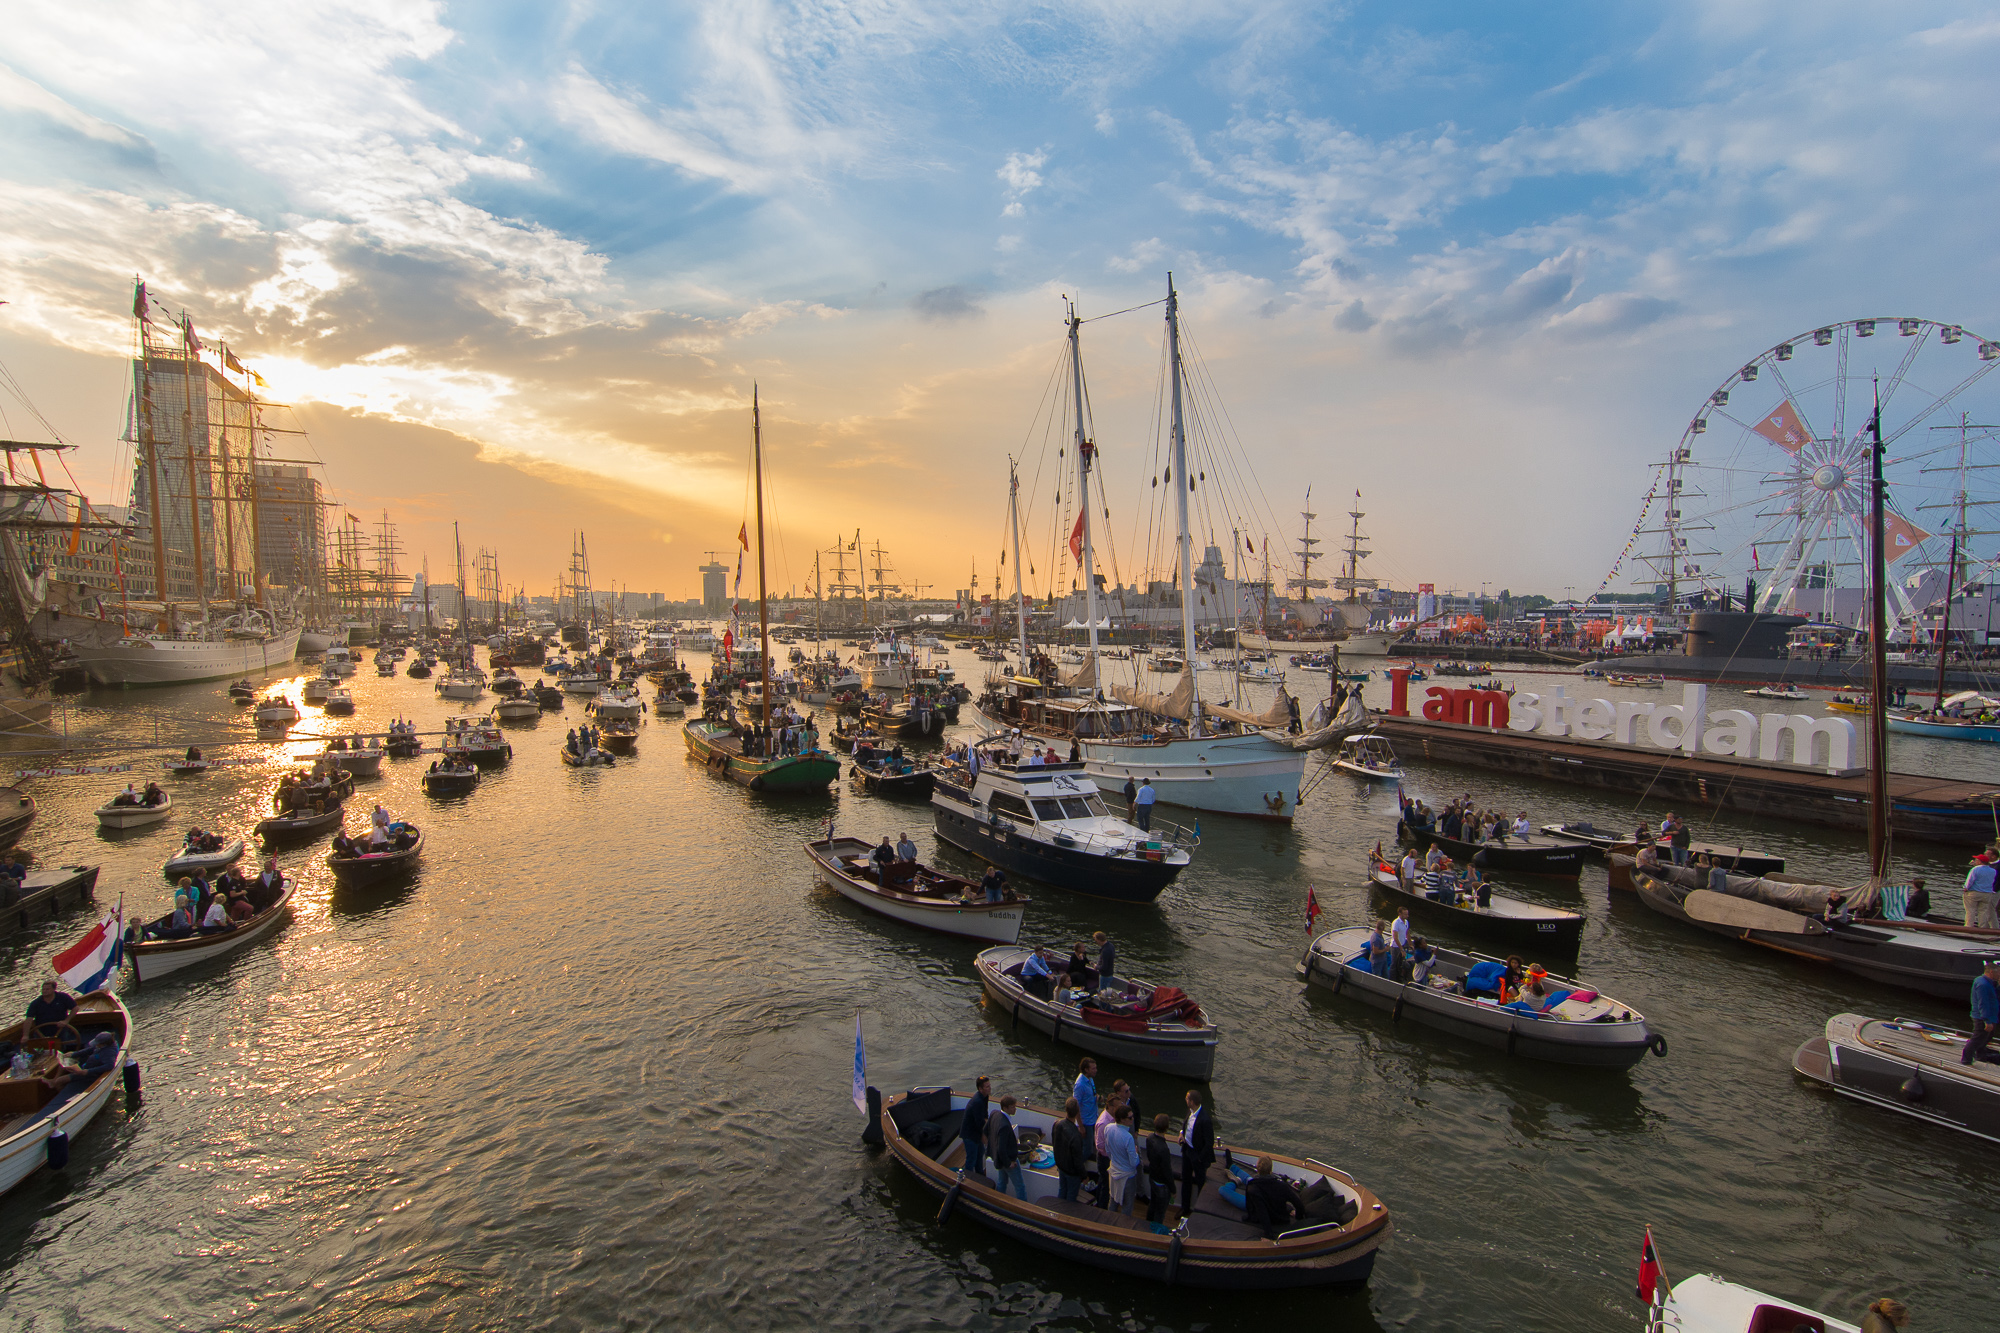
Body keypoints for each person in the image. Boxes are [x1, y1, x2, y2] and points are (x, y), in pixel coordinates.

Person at [1243, 1156, 1305, 1237]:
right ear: (1270, 1170)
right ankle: (1233, 1171)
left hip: (1260, 1218)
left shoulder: (1252, 1187)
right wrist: (1298, 1216)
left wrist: (1268, 1235)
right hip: (1281, 1219)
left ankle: (1234, 1180)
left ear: (1257, 1170)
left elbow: (1262, 1212)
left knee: (1225, 1190)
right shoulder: (1282, 1186)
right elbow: (1299, 1204)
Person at [1178, 1089, 1216, 1212]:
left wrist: (1200, 1158)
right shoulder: (1190, 1112)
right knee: (1186, 1179)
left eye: (1187, 1098)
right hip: (1187, 1150)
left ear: (1192, 1102)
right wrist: (1181, 1133)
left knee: (1201, 1183)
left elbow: (1209, 1142)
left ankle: (1200, 1210)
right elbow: (1186, 1126)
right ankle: (1185, 1208)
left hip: (1197, 1155)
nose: (1185, 1100)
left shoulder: (1205, 1119)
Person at [986, 1094, 1028, 1200]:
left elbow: (986, 1130)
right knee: (1020, 1186)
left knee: (1002, 1182)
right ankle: (1023, 1209)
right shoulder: (1004, 1125)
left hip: (999, 1159)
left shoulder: (994, 1114)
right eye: (1013, 1107)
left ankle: (999, 1202)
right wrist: (1009, 1163)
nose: (1015, 1109)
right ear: (1005, 1108)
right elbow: (1001, 1148)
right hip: (1008, 1160)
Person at [1052, 1097, 1090, 1202]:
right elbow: (1077, 1160)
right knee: (1071, 1196)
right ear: (1077, 1112)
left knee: (1062, 1190)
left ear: (1066, 1109)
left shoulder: (1057, 1124)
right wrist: (1084, 1176)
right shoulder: (1076, 1136)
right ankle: (1067, 1215)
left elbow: (1054, 1143)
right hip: (1071, 1172)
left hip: (1061, 1166)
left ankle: (1059, 1211)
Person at [1963, 958, 2000, 1066]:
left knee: (1986, 1038)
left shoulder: (1989, 983)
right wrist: (1986, 1020)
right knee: (1977, 1038)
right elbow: (1983, 1003)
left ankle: (1981, 1055)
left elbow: (1994, 996)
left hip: (1992, 1016)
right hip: (1982, 1017)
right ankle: (1966, 1059)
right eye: (1998, 973)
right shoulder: (1983, 984)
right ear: (1992, 972)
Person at [1103, 1105, 1139, 1214]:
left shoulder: (1108, 1128)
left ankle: (1109, 1224)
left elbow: (1108, 1151)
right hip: (1127, 1176)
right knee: (1127, 1206)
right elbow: (1134, 1163)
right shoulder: (1128, 1137)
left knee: (1113, 1200)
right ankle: (1123, 1229)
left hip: (1113, 1171)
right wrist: (1136, 1153)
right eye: (1130, 1117)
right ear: (1122, 1120)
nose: (1133, 1119)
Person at [1144, 1114, 1175, 1226]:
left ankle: (1147, 1223)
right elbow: (1167, 1171)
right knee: (1160, 1211)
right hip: (1162, 1183)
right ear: (1166, 1128)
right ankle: (1156, 1231)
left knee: (1153, 1203)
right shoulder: (1164, 1149)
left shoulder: (1149, 1138)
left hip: (1153, 1177)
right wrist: (1173, 1189)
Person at [961, 1075, 992, 1180]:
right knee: (971, 1158)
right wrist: (984, 1135)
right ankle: (968, 1179)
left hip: (977, 1131)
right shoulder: (977, 1101)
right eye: (987, 1087)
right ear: (980, 1089)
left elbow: (985, 1114)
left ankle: (979, 1175)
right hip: (970, 1134)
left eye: (989, 1086)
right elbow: (979, 1122)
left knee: (980, 1154)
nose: (989, 1088)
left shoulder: (985, 1096)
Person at [1963, 855, 1999, 929]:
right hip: (1987, 894)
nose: (1975, 861)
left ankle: (1968, 927)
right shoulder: (1993, 871)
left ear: (1980, 861)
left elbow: (1970, 881)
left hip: (1974, 892)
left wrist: (1966, 888)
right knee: (1983, 911)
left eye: (1976, 860)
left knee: (1971, 910)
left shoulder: (1975, 869)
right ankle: (1982, 928)